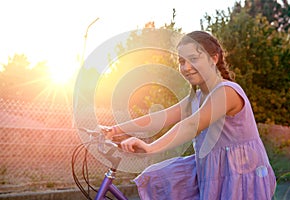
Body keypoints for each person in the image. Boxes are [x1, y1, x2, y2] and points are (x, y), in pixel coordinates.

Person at [100, 31, 276, 199]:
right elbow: (161, 118)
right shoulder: (198, 97)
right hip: (213, 171)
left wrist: (151, 148)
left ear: (213, 58)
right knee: (155, 178)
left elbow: (192, 125)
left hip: (238, 174)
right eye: (182, 61)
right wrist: (115, 129)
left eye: (193, 59)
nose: (187, 67)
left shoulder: (226, 92)